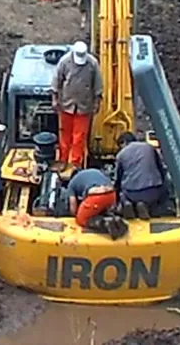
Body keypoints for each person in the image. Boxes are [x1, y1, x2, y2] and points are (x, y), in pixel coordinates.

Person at [51, 40, 102, 170]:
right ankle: (63, 159)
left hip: (84, 106)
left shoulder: (92, 64)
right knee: (64, 134)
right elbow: (56, 81)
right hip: (66, 104)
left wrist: (97, 103)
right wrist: (55, 99)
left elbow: (97, 85)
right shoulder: (64, 62)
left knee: (79, 136)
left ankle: (75, 162)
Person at [115, 132, 167, 220]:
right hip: (152, 191)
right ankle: (144, 205)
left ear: (123, 142)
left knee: (123, 194)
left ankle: (127, 204)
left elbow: (118, 180)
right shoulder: (149, 147)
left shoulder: (120, 155)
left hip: (131, 194)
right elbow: (161, 168)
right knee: (161, 190)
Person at [66, 167, 126, 239]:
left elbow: (73, 205)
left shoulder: (72, 182)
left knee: (81, 220)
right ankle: (117, 221)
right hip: (112, 194)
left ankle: (105, 223)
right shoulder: (95, 171)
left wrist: (75, 214)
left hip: (96, 195)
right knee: (103, 212)